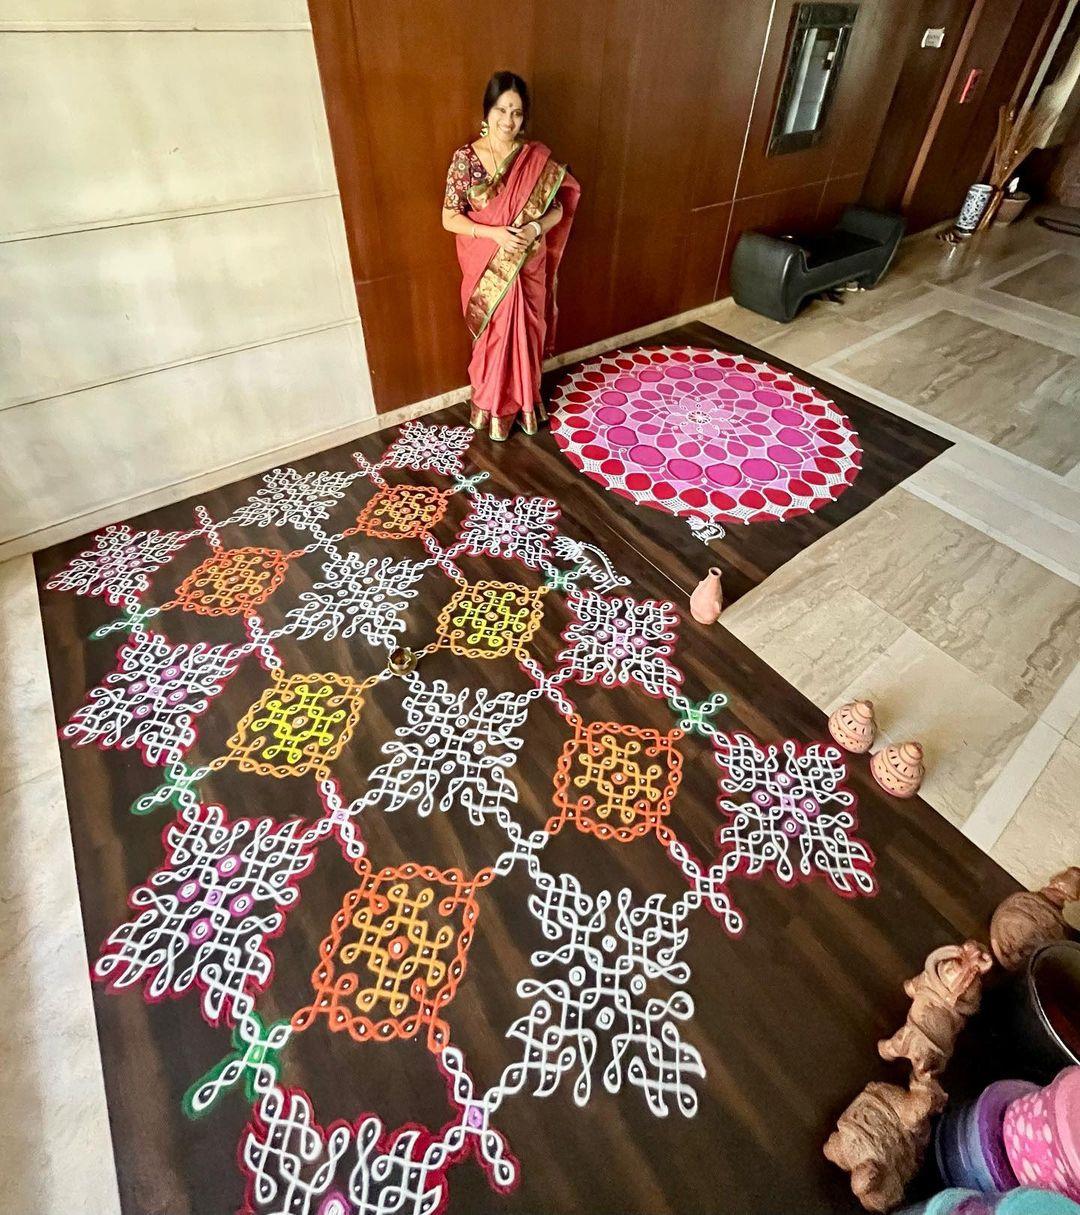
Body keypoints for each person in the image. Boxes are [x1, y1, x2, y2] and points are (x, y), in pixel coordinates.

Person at [442, 71, 580, 441]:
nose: (508, 120)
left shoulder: (534, 159)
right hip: (487, 267)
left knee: (526, 334)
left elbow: (559, 209)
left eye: (517, 113)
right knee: (493, 338)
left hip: (526, 263)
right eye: (501, 109)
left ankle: (524, 405)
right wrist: (496, 235)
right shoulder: (466, 160)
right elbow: (449, 217)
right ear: (487, 112)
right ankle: (489, 407)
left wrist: (534, 230)